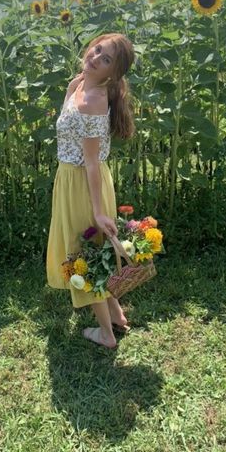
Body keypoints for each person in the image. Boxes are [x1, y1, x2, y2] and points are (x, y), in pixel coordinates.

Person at [46, 32, 135, 349]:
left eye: (106, 59)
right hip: (71, 178)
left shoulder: (93, 100)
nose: (96, 57)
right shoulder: (79, 83)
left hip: (84, 184)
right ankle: (117, 317)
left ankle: (107, 335)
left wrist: (98, 211)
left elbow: (93, 163)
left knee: (85, 258)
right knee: (95, 252)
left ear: (113, 73)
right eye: (98, 50)